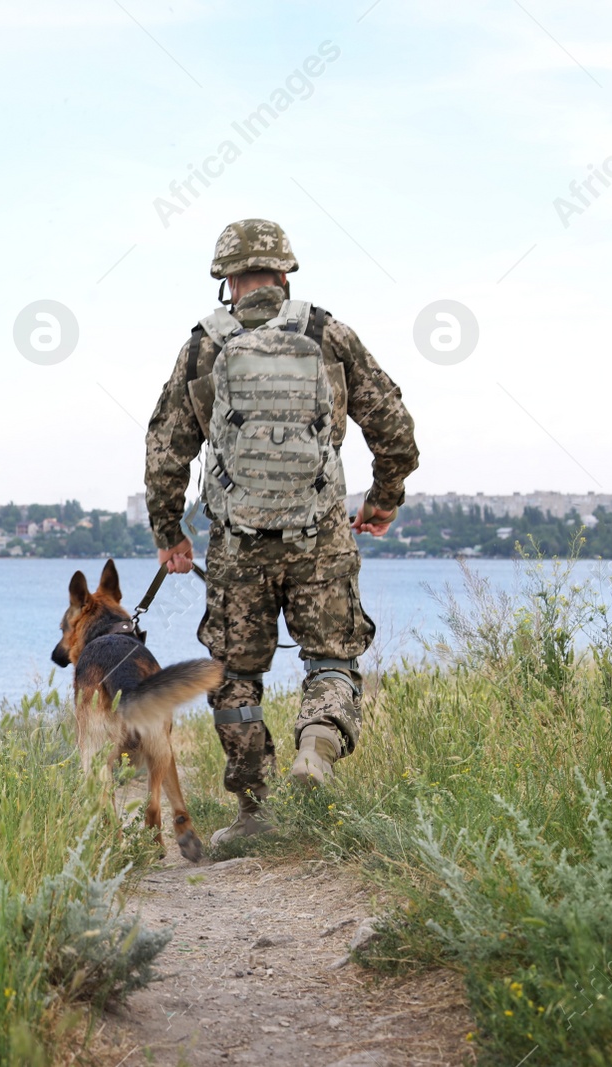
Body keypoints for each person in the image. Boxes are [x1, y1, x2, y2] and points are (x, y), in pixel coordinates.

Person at [144, 218, 419, 846]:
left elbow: (165, 451)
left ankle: (255, 815)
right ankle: (317, 748)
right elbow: (396, 431)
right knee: (332, 658)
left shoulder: (204, 347)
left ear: (226, 281)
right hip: (320, 536)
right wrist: (381, 500)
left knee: (235, 675)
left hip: (238, 543)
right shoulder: (329, 335)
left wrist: (171, 533)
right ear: (285, 272)